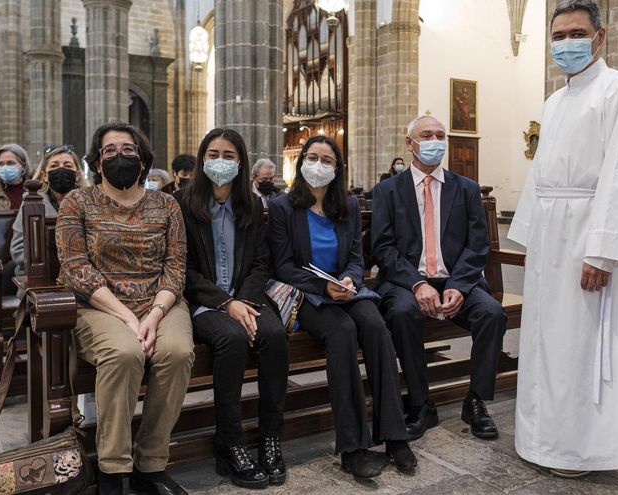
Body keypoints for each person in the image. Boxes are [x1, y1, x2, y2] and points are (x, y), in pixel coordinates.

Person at [508, 0, 618, 478]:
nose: (566, 43)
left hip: (586, 236)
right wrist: (531, 237)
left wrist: (602, 252)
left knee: (581, 343)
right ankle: (541, 440)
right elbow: (541, 175)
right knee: (544, 340)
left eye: (576, 33)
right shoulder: (555, 102)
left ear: (601, 36)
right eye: (558, 36)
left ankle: (580, 449)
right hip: (551, 240)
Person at [56, 122, 193, 495]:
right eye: (110, 151)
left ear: (143, 158)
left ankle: (150, 465)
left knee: (177, 352)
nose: (120, 156)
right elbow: (75, 267)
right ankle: (113, 470)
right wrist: (129, 316)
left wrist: (153, 314)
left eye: (129, 149)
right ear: (98, 162)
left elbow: (176, 266)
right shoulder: (77, 202)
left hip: (160, 303)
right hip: (98, 305)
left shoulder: (166, 204)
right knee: (124, 352)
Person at [268, 135, 416, 480]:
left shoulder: (347, 205)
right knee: (342, 331)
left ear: (337, 169)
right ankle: (352, 448)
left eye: (327, 160)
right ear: (301, 161)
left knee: (378, 329)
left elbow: (354, 258)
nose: (318, 165)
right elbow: (284, 266)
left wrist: (349, 280)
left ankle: (394, 435)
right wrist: (324, 286)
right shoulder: (282, 207)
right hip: (307, 294)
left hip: (345, 291)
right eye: (313, 157)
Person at [371, 115, 506, 441]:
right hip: (407, 280)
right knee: (402, 313)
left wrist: (459, 286)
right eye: (426, 135)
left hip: (456, 279)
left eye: (440, 135)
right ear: (410, 144)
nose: (435, 141)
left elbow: (478, 246)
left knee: (492, 313)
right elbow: (383, 248)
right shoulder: (388, 191)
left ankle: (475, 401)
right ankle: (420, 404)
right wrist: (418, 284)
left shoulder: (467, 189)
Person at [176, 129, 289, 489]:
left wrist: (245, 300)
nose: (220, 162)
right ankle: (229, 442)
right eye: (213, 154)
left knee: (273, 334)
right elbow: (184, 269)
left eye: (228, 155)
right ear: (201, 158)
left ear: (240, 162)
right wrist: (227, 303)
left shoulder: (251, 205)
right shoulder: (181, 204)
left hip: (247, 296)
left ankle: (270, 437)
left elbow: (260, 262)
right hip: (205, 302)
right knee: (232, 339)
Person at [8, 146, 88, 294]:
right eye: (54, 165)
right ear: (44, 175)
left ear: (77, 174)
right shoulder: (31, 203)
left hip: (84, 280)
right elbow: (18, 250)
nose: (61, 169)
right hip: (41, 281)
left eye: (68, 165)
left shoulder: (89, 203)